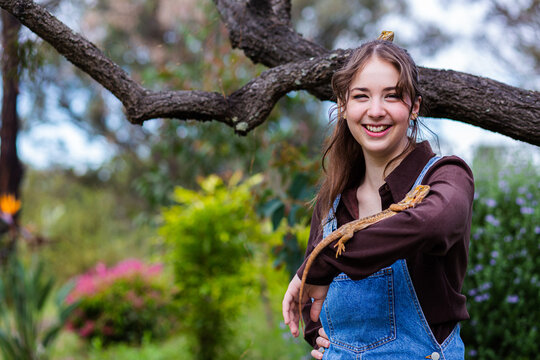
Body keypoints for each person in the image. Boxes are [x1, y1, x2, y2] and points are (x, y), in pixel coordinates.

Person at [282, 37, 474, 359]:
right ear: (343, 107)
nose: (375, 111)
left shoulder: (446, 176)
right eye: (361, 96)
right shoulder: (332, 200)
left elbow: (432, 225)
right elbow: (313, 304)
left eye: (392, 96)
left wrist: (324, 261)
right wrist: (319, 338)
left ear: (413, 108)